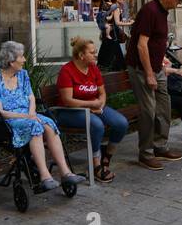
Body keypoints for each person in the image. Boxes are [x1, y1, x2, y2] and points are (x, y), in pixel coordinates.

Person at [0, 41, 84, 192]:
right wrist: (26, 116)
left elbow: (31, 97)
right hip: (7, 119)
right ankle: (45, 177)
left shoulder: (23, 75)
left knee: (50, 124)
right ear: (11, 61)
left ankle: (66, 172)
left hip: (28, 115)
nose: (24, 60)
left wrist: (31, 113)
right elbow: (0, 112)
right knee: (35, 125)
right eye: (21, 57)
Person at [128, 0, 182, 170]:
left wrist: (162, 61)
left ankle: (159, 146)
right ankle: (145, 154)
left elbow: (158, 42)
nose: (180, 3)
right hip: (141, 68)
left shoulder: (163, 12)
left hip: (157, 67)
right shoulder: (150, 11)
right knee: (148, 111)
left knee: (164, 107)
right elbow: (141, 44)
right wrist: (149, 74)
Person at [54, 36, 129, 183]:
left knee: (121, 123)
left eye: (95, 51)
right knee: (96, 125)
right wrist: (91, 106)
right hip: (69, 111)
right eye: (92, 52)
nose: (96, 55)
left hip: (94, 106)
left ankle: (106, 157)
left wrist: (100, 103)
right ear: (81, 55)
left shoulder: (93, 68)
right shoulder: (67, 71)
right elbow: (67, 100)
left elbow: (102, 92)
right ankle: (95, 166)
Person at [96, 0, 127, 71]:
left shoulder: (111, 6)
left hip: (111, 32)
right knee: (112, 50)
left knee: (107, 49)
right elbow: (116, 22)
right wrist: (129, 23)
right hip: (113, 32)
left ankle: (103, 66)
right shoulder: (114, 7)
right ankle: (118, 68)